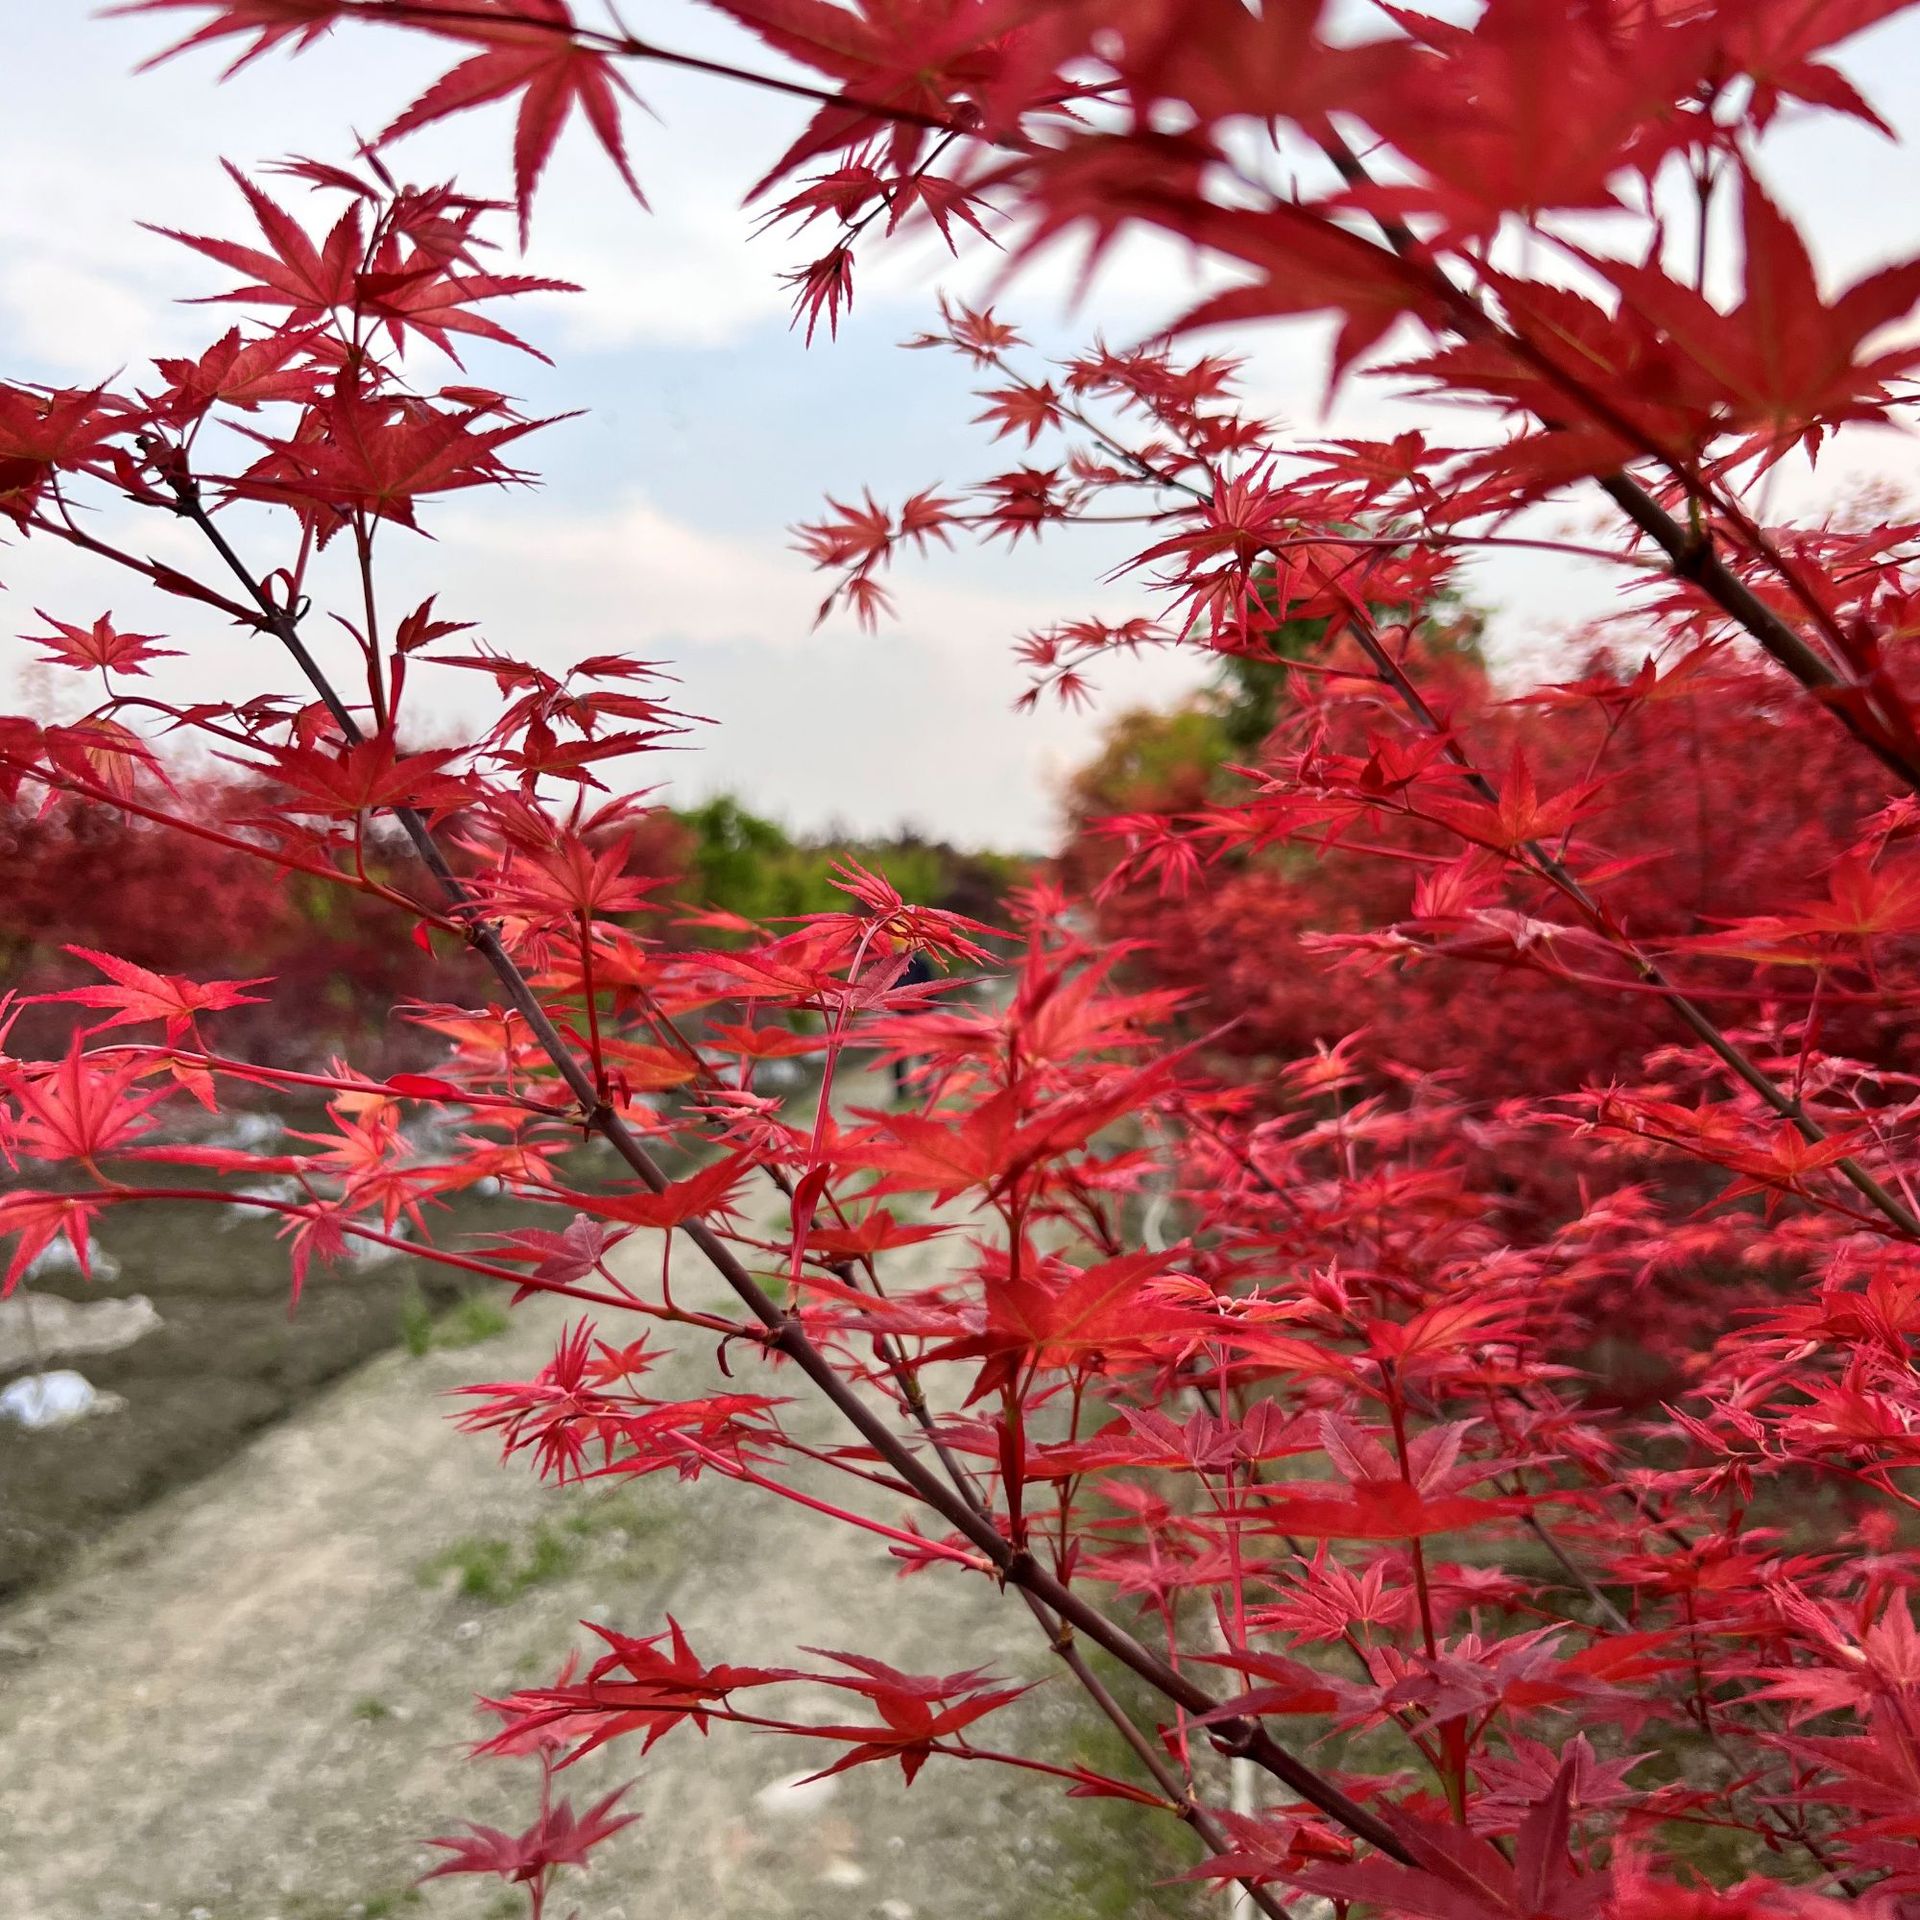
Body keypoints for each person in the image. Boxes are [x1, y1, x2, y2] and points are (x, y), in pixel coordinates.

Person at [891, 947, 937, 1101]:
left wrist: (927, 1010)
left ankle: (925, 1087)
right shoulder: (895, 966)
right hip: (900, 1017)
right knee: (898, 1056)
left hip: (920, 1016)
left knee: (923, 1054)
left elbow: (932, 988)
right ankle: (900, 1091)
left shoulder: (922, 965)